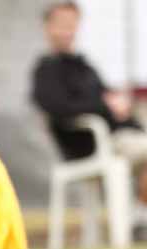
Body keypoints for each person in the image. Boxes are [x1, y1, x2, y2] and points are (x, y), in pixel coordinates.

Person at [32, 1, 147, 211]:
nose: (67, 30)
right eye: (62, 24)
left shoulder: (85, 66)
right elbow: (60, 108)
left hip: (118, 137)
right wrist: (105, 105)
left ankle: (137, 216)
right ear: (48, 27)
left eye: (72, 24)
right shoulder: (46, 70)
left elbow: (107, 96)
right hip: (89, 144)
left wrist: (119, 104)